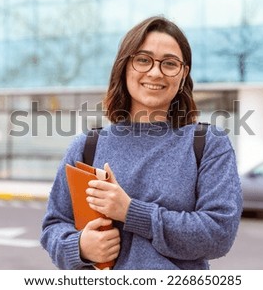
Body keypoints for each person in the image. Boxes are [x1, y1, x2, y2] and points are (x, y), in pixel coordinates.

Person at [40, 16, 242, 270]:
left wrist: (130, 212)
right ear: (124, 67)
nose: (155, 72)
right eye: (143, 60)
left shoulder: (208, 144)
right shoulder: (87, 145)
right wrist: (80, 246)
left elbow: (218, 235)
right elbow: (54, 226)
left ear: (183, 74)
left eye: (169, 63)